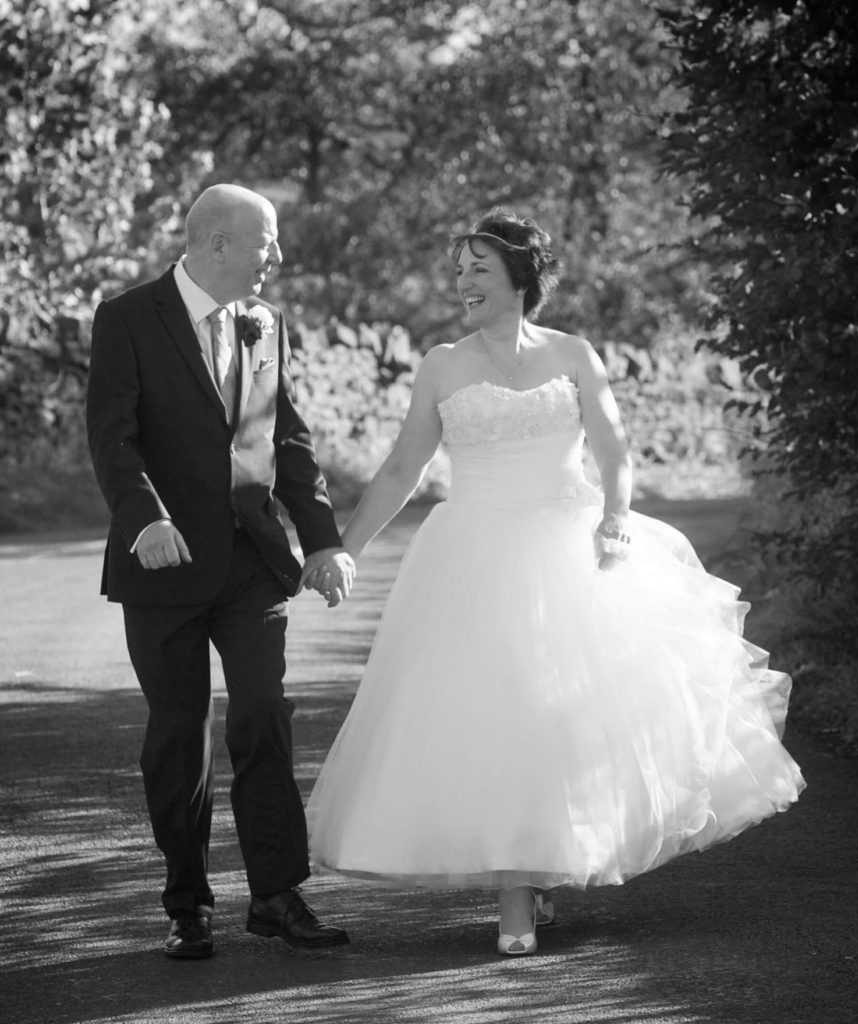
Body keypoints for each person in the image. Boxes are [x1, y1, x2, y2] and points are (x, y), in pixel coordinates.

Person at [306, 209, 805, 956]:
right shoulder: (442, 363)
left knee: (559, 715)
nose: (461, 281)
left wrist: (616, 518)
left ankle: (536, 871)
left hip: (567, 545)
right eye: (459, 269)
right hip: (470, 549)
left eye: (478, 268)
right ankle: (514, 888)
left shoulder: (573, 353)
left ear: (519, 279)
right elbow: (403, 468)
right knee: (494, 710)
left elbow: (613, 450)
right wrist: (340, 548)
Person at [86, 184, 354, 959]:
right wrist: (145, 520)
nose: (277, 257)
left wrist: (324, 541)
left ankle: (275, 894)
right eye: (266, 242)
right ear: (218, 245)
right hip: (162, 561)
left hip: (250, 561)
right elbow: (112, 435)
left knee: (263, 717)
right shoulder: (127, 317)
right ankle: (187, 903)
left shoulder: (266, 323)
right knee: (180, 736)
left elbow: (288, 440)